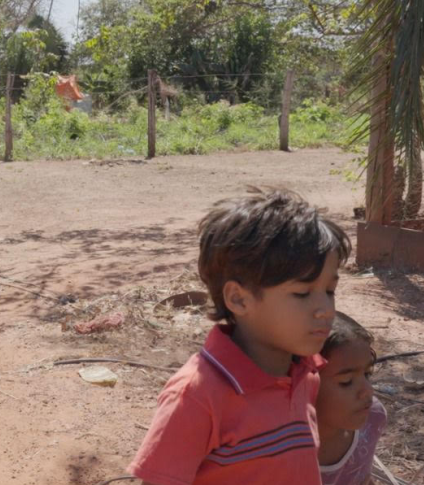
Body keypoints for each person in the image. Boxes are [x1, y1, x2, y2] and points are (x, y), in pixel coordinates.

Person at [127, 187, 351, 485]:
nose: (325, 309)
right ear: (239, 299)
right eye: (302, 293)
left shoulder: (305, 377)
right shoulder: (196, 396)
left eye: (329, 291)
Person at [316, 312, 386, 485]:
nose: (368, 390)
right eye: (346, 382)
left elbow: (362, 477)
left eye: (367, 374)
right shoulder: (275, 449)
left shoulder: (372, 419)